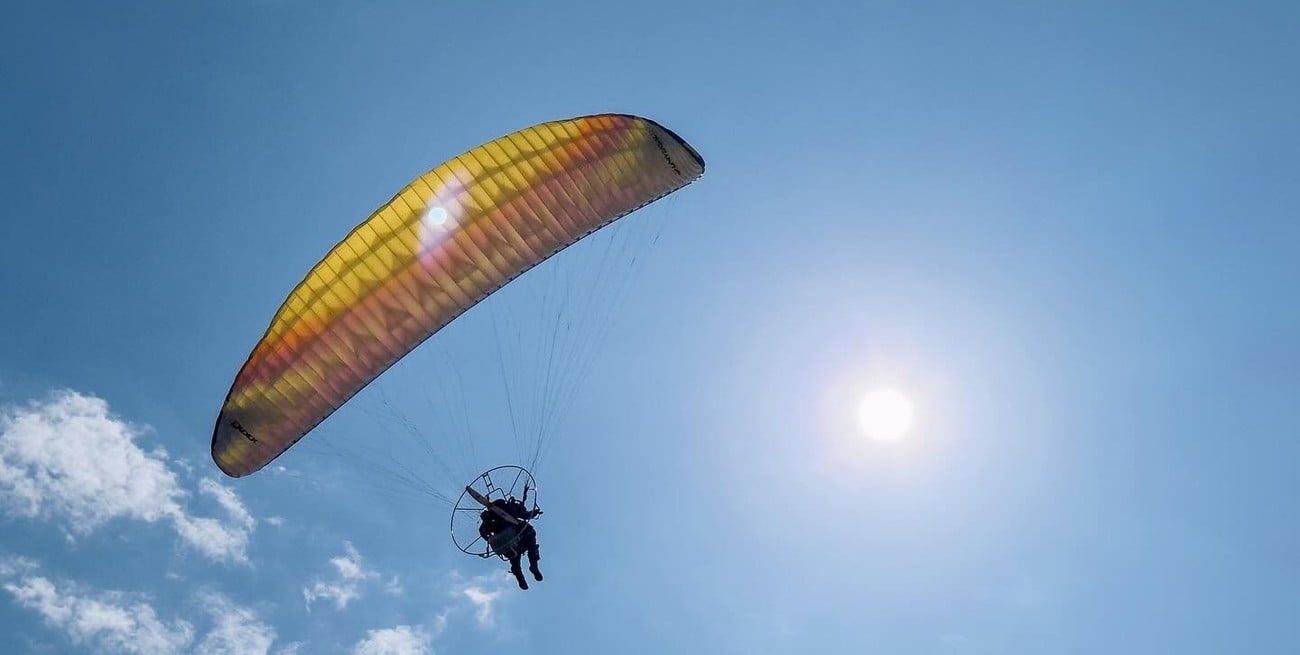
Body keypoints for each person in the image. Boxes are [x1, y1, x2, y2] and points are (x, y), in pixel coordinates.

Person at [478, 496, 543, 590]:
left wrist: (533, 513)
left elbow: (525, 515)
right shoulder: (489, 519)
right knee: (514, 557)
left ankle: (533, 567)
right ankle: (519, 575)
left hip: (521, 536)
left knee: (530, 535)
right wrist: (490, 535)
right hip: (509, 543)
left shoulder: (511, 508)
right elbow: (483, 532)